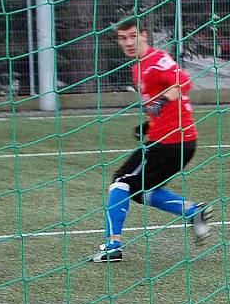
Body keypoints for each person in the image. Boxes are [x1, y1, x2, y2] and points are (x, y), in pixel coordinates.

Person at [91, 18, 212, 263]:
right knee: (140, 191)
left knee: (121, 182)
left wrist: (161, 102)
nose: (128, 42)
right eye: (123, 38)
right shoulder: (138, 67)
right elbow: (163, 104)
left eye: (133, 36)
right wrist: (148, 124)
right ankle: (193, 211)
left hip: (170, 142)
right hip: (176, 141)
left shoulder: (157, 60)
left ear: (144, 35)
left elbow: (183, 83)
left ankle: (113, 245)